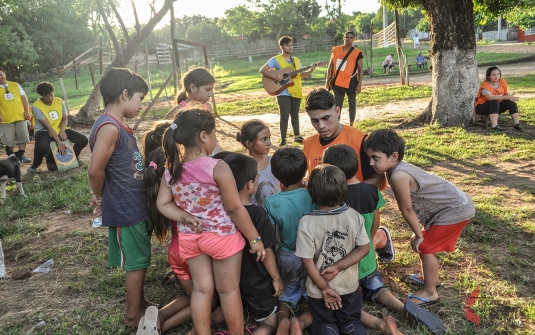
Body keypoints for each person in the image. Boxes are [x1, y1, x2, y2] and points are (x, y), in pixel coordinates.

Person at [156, 108, 265, 335]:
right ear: (204, 136)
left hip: (190, 238)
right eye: (214, 134)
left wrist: (185, 217)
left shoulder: (172, 168)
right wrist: (254, 238)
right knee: (228, 291)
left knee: (201, 291)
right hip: (222, 237)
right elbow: (235, 208)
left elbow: (163, 204)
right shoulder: (218, 167)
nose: (215, 139)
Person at [323, 144, 445, 335]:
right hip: (368, 259)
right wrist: (368, 243)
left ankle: (379, 323)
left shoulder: (329, 198)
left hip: (343, 265)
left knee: (342, 303)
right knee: (377, 289)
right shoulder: (372, 191)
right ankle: (402, 307)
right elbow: (375, 224)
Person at [364, 129, 475, 306]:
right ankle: (430, 278)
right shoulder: (396, 168)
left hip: (456, 210)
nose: (371, 163)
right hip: (454, 207)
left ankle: (430, 292)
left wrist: (419, 235)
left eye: (375, 158)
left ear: (393, 156)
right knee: (422, 243)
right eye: (369, 158)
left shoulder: (399, 176)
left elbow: (407, 210)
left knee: (424, 245)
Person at [88, 68, 154, 327]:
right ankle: (132, 314)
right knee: (135, 262)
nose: (141, 105)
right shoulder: (109, 127)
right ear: (125, 94)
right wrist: (100, 197)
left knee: (141, 257)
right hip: (126, 209)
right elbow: (95, 170)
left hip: (134, 206)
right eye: (139, 98)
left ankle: (140, 302)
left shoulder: (116, 125)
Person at [295, 164, 370, 335]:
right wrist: (338, 267)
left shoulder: (306, 222)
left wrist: (324, 288)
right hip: (349, 288)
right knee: (352, 322)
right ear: (344, 190)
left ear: (312, 192)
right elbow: (364, 249)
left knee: (323, 323)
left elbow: (306, 260)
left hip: (319, 291)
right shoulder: (354, 216)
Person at [224, 153, 283, 334]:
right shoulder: (258, 213)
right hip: (259, 285)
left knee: (228, 311)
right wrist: (276, 278)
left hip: (230, 283)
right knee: (270, 325)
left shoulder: (220, 212)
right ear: (250, 184)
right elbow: (266, 251)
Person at [263, 147, 314, 335]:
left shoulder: (271, 201)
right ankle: (301, 321)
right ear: (305, 170)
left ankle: (283, 320)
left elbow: (272, 235)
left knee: (285, 295)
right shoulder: (313, 194)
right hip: (312, 255)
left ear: (276, 176)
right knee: (315, 296)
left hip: (287, 256)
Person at [260, 36, 315, 146]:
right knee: (284, 115)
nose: (290, 47)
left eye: (291, 45)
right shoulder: (276, 59)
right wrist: (275, 77)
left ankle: (297, 136)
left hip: (296, 90)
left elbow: (300, 75)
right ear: (281, 47)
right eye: (287, 45)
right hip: (282, 91)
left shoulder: (296, 61)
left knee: (295, 114)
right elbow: (262, 70)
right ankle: (283, 139)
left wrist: (309, 71)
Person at [27, 82, 88, 173]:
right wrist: (59, 142)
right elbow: (47, 126)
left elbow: (64, 119)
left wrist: (62, 130)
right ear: (41, 96)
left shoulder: (59, 101)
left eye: (51, 94)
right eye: (46, 96)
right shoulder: (36, 106)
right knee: (42, 146)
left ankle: (74, 158)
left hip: (59, 127)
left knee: (83, 140)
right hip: (44, 130)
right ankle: (35, 165)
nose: (50, 98)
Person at [236, 120, 280, 206]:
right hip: (256, 217)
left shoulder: (275, 162)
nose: (269, 143)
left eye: (269, 138)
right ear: (249, 143)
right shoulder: (241, 167)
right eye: (264, 139)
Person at [326, 31, 363, 127]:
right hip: (337, 81)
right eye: (347, 37)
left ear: (353, 39)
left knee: (352, 104)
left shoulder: (357, 53)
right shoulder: (336, 50)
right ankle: (336, 125)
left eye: (351, 37)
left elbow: (360, 68)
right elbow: (331, 65)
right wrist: (328, 79)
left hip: (352, 82)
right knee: (337, 105)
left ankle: (351, 125)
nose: (348, 39)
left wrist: (359, 84)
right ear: (343, 38)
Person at [475, 66, 524, 132]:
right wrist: (506, 97)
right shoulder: (485, 85)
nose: (496, 76)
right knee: (494, 101)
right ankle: (494, 126)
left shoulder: (502, 82)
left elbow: (505, 93)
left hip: (496, 106)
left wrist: (509, 97)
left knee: (511, 102)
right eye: (493, 75)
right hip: (482, 107)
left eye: (498, 74)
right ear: (488, 76)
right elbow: (490, 98)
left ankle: (516, 124)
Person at [0, 66, 31, 163]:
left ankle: (22, 155)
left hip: (20, 116)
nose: (0, 77)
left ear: (4, 74)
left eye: (0, 74)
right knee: (9, 139)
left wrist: (26, 111)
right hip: (5, 119)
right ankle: (12, 158)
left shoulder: (15, 85)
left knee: (22, 136)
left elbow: (24, 98)